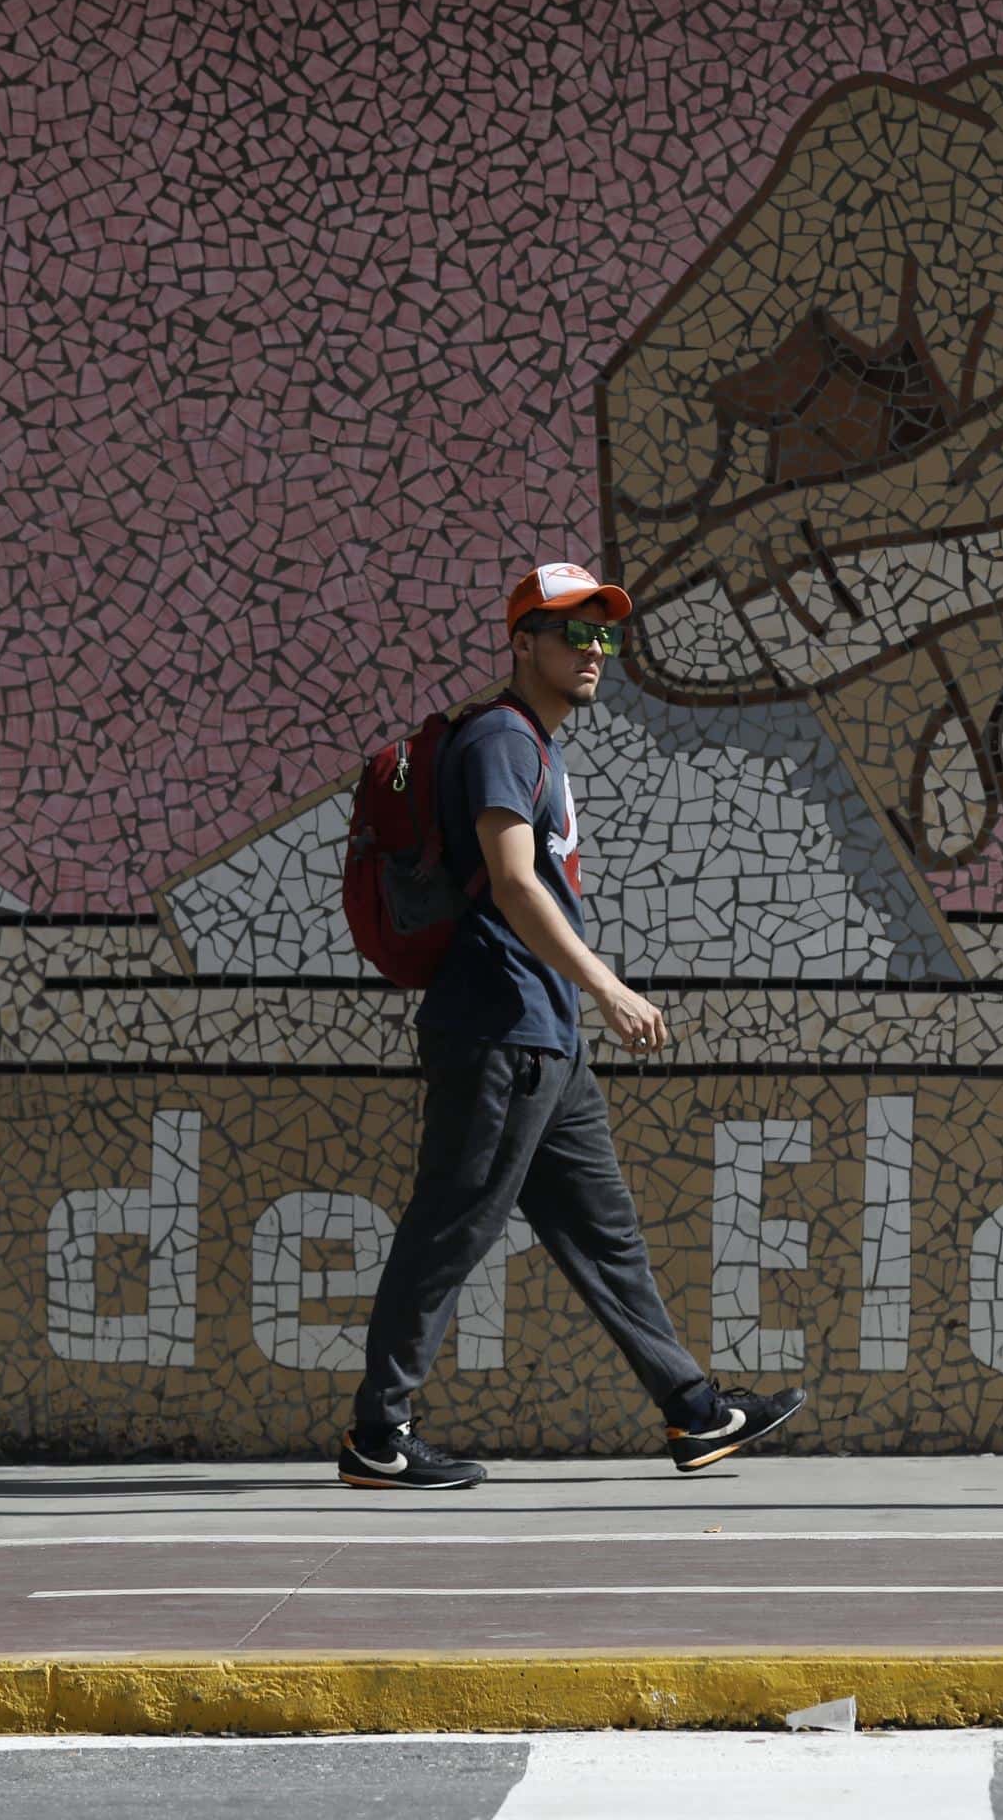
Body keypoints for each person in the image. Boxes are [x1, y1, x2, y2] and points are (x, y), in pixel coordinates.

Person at [339, 561, 810, 1491]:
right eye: (572, 633)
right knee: (451, 1228)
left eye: (606, 634)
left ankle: (695, 1413)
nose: (594, 651)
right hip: (500, 1027)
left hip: (542, 1037)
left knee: (606, 1239)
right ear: (522, 643)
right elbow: (513, 881)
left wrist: (579, 1003)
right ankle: (377, 1435)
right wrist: (607, 987)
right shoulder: (503, 741)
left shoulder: (539, 749)